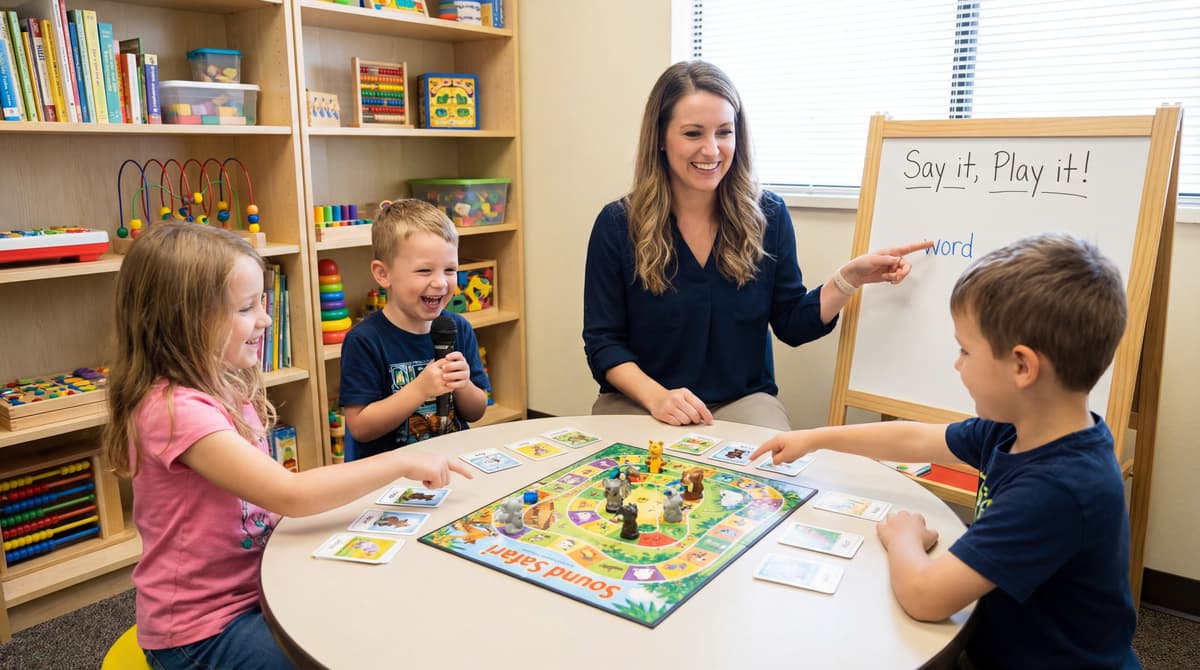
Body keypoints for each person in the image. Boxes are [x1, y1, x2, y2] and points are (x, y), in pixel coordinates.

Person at [751, 233, 1140, 669]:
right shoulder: (1019, 429)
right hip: (998, 642)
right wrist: (815, 437)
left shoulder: (1058, 488)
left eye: (965, 350)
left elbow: (925, 596)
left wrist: (904, 538)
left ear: (1022, 367)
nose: (957, 364)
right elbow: (915, 440)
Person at [101, 223, 474, 669]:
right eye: (245, 308)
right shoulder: (174, 411)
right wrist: (399, 462)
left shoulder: (225, 386)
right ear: (183, 319)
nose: (265, 319)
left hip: (261, 586)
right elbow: (290, 495)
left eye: (262, 302)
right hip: (201, 631)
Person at [582, 59, 931, 431]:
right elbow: (603, 342)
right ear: (660, 139)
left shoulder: (769, 215)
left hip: (742, 401)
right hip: (641, 400)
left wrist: (848, 278)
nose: (712, 150)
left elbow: (792, 324)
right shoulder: (617, 224)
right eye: (693, 134)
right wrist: (657, 397)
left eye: (724, 132)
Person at [339, 198, 490, 459]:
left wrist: (463, 385)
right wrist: (419, 390)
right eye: (424, 270)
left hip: (450, 463)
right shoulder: (364, 340)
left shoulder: (458, 328)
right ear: (383, 274)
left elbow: (476, 411)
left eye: (450, 269)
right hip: (390, 477)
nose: (440, 283)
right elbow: (360, 427)